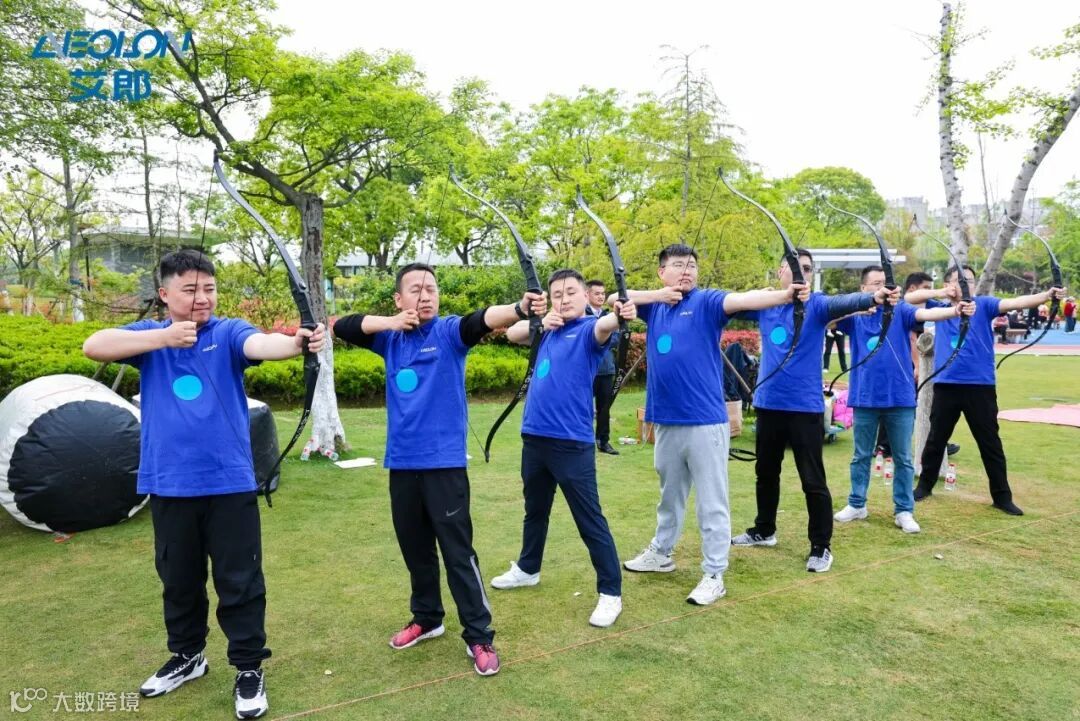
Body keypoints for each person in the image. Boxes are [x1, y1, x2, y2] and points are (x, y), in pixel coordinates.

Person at [82, 249, 327, 720]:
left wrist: (299, 341)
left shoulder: (228, 332)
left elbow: (263, 345)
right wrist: (164, 337)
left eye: (209, 289)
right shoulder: (149, 337)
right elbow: (94, 345)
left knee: (240, 580)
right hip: (170, 484)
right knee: (178, 579)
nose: (202, 298)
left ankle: (249, 667)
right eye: (190, 289)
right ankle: (188, 655)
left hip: (229, 483)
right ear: (164, 294)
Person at [332, 263, 546, 676]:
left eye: (431, 288)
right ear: (399, 299)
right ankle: (427, 617)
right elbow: (343, 326)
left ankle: (479, 634)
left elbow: (481, 320)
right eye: (415, 289)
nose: (425, 295)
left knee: (458, 553)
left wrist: (520, 308)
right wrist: (392, 322)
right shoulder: (390, 339)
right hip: (401, 464)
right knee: (415, 550)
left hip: (444, 465)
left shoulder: (448, 332)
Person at [619, 243, 809, 604]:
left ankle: (714, 573)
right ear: (662, 272)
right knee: (669, 495)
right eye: (678, 265)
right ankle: (661, 553)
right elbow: (617, 296)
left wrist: (786, 295)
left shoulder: (706, 301)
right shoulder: (653, 306)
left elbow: (742, 300)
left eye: (692, 265)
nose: (686, 271)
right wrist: (658, 295)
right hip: (666, 420)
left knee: (711, 501)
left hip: (705, 421)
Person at [731, 249, 897, 573]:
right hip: (768, 404)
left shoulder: (818, 305)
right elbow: (730, 304)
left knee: (812, 479)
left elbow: (848, 301)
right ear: (779, 272)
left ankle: (821, 546)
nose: (800, 273)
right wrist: (764, 294)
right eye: (793, 268)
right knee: (766, 473)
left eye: (806, 269)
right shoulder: (766, 304)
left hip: (804, 409)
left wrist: (875, 296)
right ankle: (764, 529)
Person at [490, 269, 634, 627]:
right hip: (534, 437)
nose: (564, 299)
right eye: (557, 294)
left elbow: (607, 325)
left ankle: (611, 592)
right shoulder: (547, 329)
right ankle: (528, 568)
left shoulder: (589, 329)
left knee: (589, 519)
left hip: (571, 443)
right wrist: (541, 322)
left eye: (571, 292)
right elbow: (511, 333)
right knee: (534, 510)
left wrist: (619, 314)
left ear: (585, 297)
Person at [907, 265, 1065, 515]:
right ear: (949, 284)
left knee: (990, 443)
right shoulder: (939, 308)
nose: (966, 285)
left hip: (980, 386)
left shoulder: (984, 304)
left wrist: (1047, 295)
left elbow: (1017, 301)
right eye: (960, 280)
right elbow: (909, 299)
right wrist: (942, 292)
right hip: (947, 385)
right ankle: (925, 486)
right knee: (936, 439)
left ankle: (1002, 497)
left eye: (970, 280)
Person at [832, 266, 975, 534]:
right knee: (861, 455)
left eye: (885, 283)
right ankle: (857, 503)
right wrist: (860, 306)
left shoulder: (901, 310)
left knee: (903, 458)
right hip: (865, 397)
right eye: (875, 284)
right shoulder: (856, 317)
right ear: (863, 288)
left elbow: (926, 313)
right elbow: (829, 318)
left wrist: (955, 310)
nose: (882, 288)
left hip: (899, 397)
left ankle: (903, 510)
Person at [585, 279, 619, 455]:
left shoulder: (609, 315)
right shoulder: (581, 314)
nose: (600, 296)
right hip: (586, 370)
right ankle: (584, 440)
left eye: (603, 293)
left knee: (604, 408)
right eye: (596, 293)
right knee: (583, 407)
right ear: (587, 294)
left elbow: (616, 338)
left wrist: (599, 337)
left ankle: (603, 441)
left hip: (606, 370)